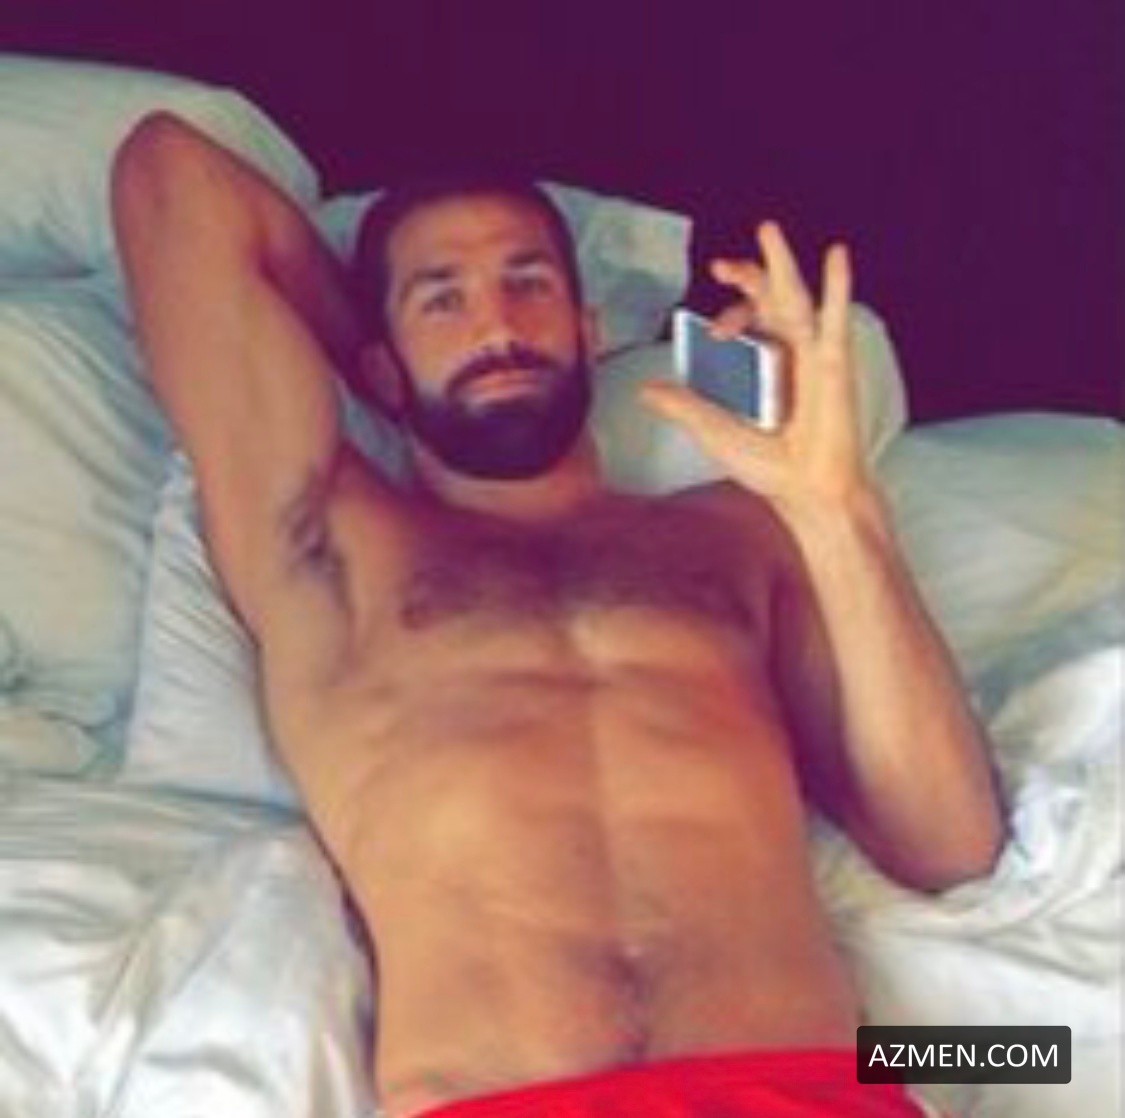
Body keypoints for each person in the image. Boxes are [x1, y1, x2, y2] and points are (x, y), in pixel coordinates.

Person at [111, 112, 1005, 1118]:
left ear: (589, 330)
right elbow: (169, 176)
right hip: (504, 1102)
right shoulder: (331, 543)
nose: (496, 325)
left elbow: (946, 843)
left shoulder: (742, 534)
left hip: (804, 1093)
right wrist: (371, 348)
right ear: (380, 364)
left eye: (528, 281)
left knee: (1060, 1066)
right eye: (442, 298)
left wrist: (840, 512)